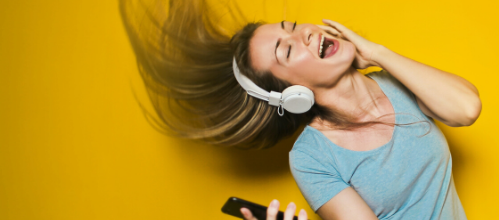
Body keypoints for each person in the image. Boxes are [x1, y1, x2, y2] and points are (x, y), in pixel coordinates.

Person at [120, 0, 480, 219]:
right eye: (287, 51)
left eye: (292, 28)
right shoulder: (312, 157)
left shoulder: (396, 80)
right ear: (292, 95)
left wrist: (378, 52)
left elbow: (466, 108)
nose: (303, 34)